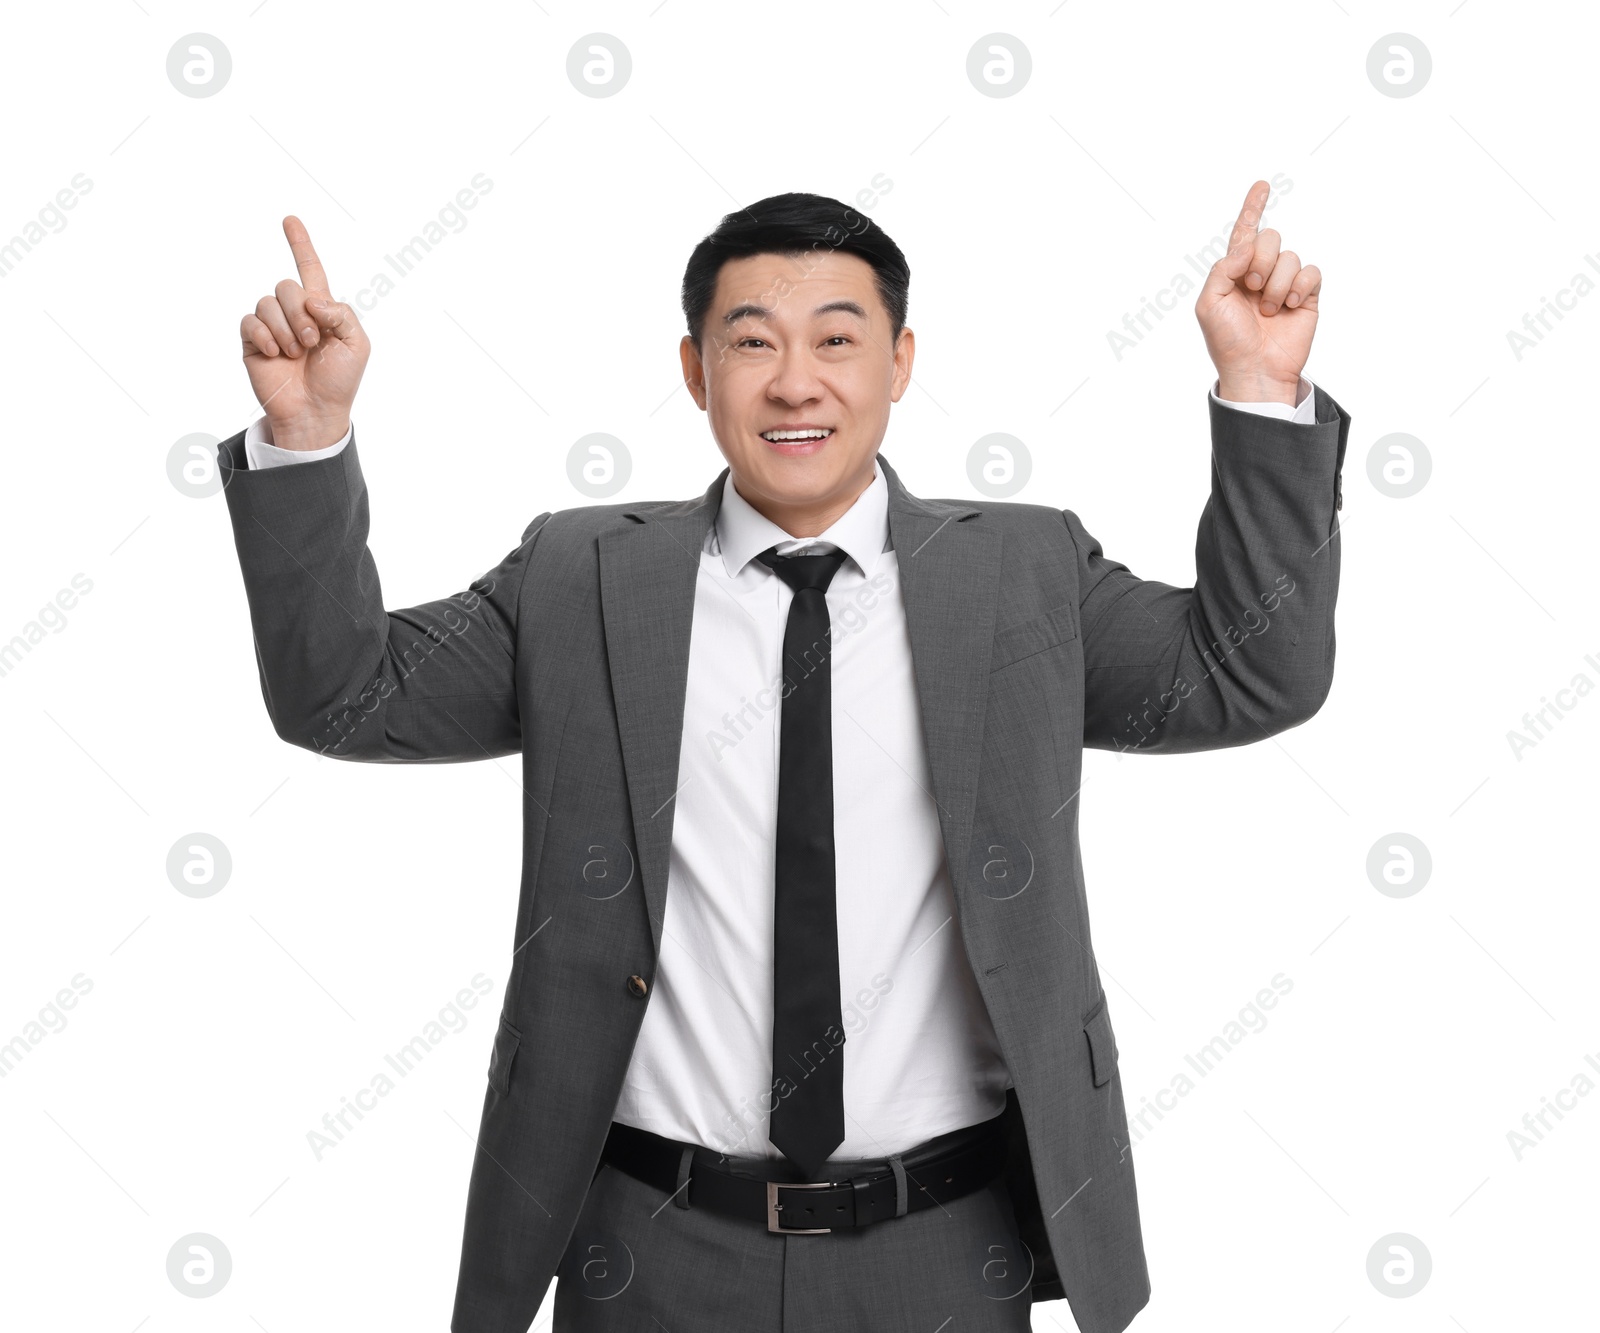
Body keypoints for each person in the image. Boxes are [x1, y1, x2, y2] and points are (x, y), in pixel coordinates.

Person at [219, 181, 1348, 1333]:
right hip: (649, 1248)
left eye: (838, 341)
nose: (794, 382)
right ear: (694, 368)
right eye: (750, 342)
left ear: (899, 363)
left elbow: (1247, 675)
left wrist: (1257, 392)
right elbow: (347, 698)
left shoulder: (1019, 574)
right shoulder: (581, 578)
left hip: (948, 1248)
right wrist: (307, 438)